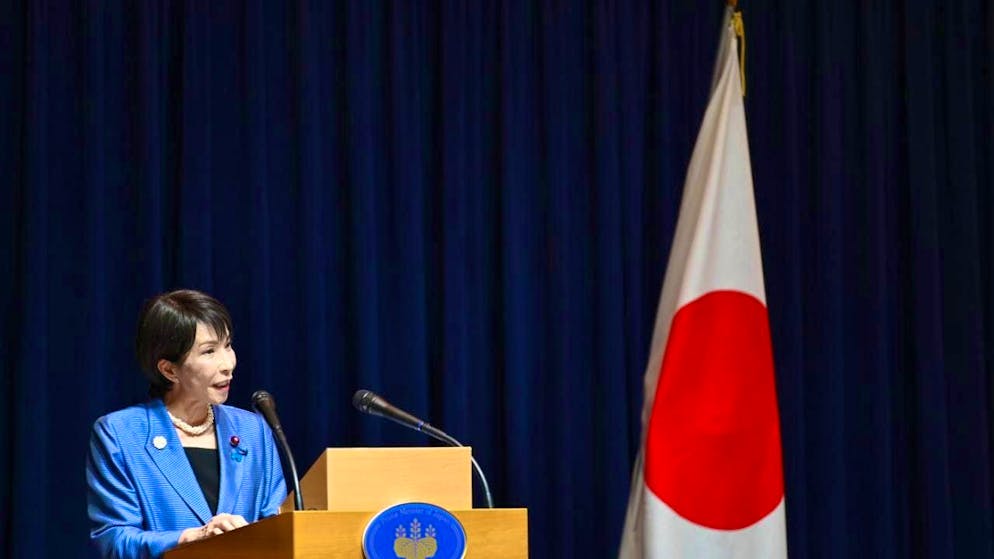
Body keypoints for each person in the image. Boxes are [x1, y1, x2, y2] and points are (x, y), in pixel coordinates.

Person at [86, 289, 287, 558]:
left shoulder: (254, 430)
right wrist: (192, 538)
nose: (228, 364)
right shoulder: (120, 434)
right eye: (209, 351)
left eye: (227, 345)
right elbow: (114, 540)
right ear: (169, 370)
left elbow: (279, 525)